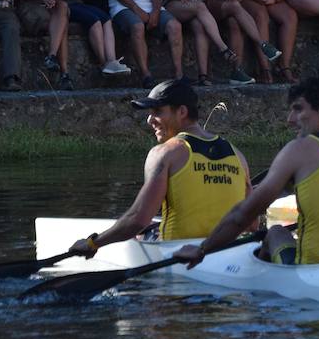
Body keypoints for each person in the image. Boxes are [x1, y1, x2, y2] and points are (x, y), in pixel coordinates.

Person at [173, 77, 319, 267]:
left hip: (317, 272)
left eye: (298, 109)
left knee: (275, 233)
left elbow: (244, 214)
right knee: (277, 233)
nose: (290, 119)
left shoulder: (301, 149)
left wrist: (202, 249)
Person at [67, 79, 252, 257]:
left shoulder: (165, 153)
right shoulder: (238, 155)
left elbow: (138, 220)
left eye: (157, 111)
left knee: (141, 231)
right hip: (229, 251)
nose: (149, 120)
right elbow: (252, 224)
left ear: (181, 111)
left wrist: (92, 243)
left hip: (179, 254)